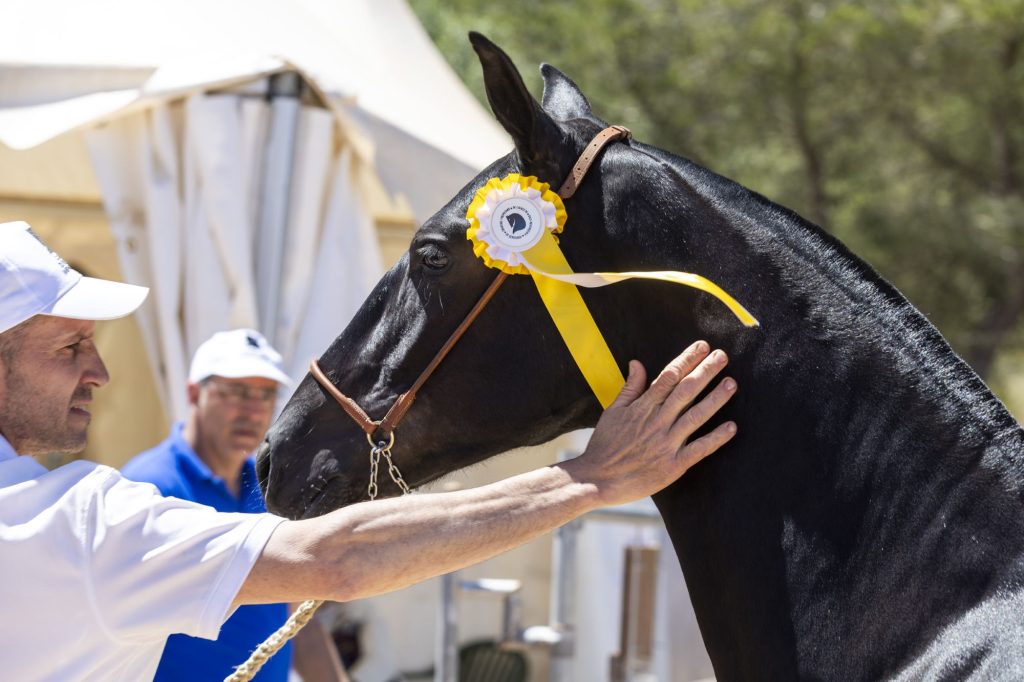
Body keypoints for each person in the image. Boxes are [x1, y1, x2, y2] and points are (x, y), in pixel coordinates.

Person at [0, 220, 739, 680]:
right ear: (197, 396)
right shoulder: (84, 520)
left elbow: (304, 599)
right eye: (69, 346)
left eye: (265, 392)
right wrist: (591, 478)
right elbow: (335, 560)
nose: (97, 372)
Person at [122, 329, 347, 681]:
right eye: (238, 392)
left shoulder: (273, 487)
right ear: (194, 392)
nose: (254, 410)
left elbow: (297, 617)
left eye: (266, 394)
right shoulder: (147, 487)